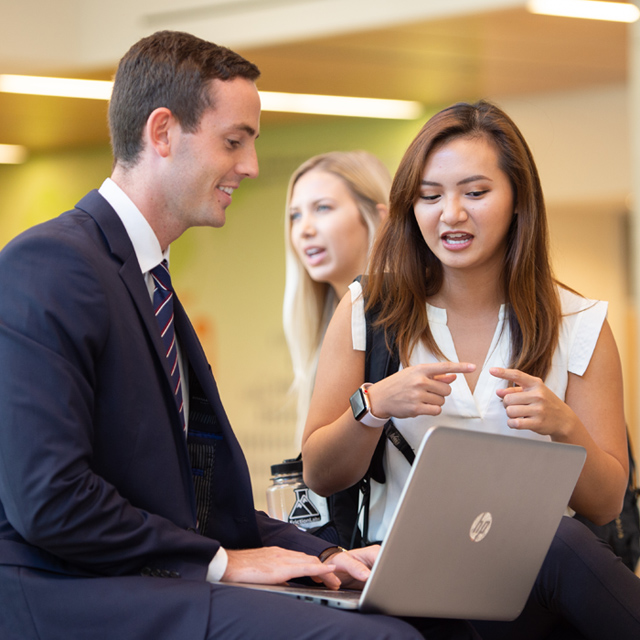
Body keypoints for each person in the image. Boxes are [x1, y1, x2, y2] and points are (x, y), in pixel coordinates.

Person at [0, 31, 480, 640]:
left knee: (430, 616)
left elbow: (203, 507)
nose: (251, 167)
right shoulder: (51, 263)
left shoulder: (147, 279)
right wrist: (222, 562)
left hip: (143, 580)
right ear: (163, 132)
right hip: (67, 596)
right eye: (235, 142)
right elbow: (50, 500)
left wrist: (323, 557)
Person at [302, 100, 640, 638]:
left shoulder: (581, 323)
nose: (450, 214)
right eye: (430, 197)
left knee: (554, 538)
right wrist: (373, 406)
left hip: (535, 584)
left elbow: (604, 505)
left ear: (517, 201)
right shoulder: (369, 308)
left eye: (475, 193)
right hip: (410, 577)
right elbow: (318, 472)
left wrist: (565, 428)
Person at [283, 150, 391, 445]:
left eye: (323, 208)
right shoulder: (318, 324)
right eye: (295, 215)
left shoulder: (401, 326)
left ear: (378, 218)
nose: (304, 229)